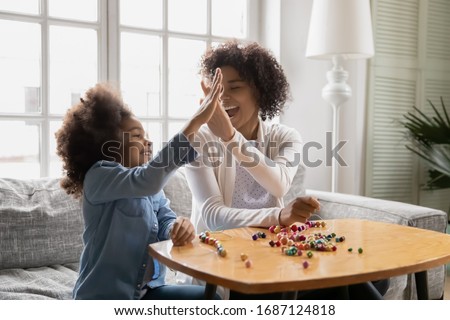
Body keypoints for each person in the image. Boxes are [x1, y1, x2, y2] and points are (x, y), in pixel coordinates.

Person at [183, 40, 388, 300]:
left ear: (259, 91)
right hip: (230, 261)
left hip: (279, 249)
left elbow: (278, 184)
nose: (223, 98)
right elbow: (214, 217)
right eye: (217, 89)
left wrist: (231, 138)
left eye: (234, 87)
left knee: (358, 276)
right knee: (347, 285)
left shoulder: (286, 137)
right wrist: (279, 216)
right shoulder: (198, 140)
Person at [55, 69, 223, 299]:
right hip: (105, 297)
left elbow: (164, 220)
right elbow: (148, 180)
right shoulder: (100, 176)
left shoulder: (150, 187)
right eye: (136, 135)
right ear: (108, 143)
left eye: (146, 135)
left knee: (210, 299)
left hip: (148, 293)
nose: (148, 142)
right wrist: (196, 121)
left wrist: (177, 228)